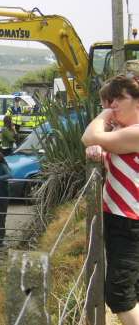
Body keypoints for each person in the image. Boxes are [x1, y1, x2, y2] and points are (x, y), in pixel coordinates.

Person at [82, 74, 139, 325]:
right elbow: (98, 144)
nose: (112, 104)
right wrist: (100, 149)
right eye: (109, 100)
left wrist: (103, 116)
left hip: (131, 223)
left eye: (119, 99)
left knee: (119, 296)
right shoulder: (123, 132)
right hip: (123, 220)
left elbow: (89, 136)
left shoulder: (135, 133)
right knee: (132, 288)